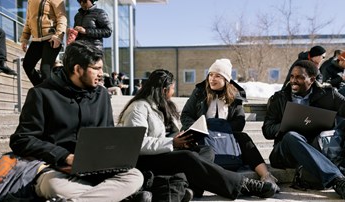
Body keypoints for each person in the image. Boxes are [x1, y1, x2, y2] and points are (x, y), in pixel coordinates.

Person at [9, 40, 149, 201]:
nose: (101, 74)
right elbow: (21, 139)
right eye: (96, 69)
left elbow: (108, 133)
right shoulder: (41, 94)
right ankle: (113, 197)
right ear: (77, 69)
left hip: (98, 168)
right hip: (57, 168)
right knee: (53, 186)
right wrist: (64, 156)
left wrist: (113, 155)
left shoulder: (102, 95)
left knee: (135, 176)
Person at [117, 69, 277, 200]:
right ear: (164, 90)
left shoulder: (162, 107)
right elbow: (137, 144)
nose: (173, 92)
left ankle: (185, 188)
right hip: (146, 160)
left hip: (164, 152)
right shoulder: (139, 108)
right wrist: (173, 143)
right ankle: (244, 185)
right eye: (172, 88)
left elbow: (169, 133)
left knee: (206, 151)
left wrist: (183, 137)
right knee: (187, 157)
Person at [180, 58, 280, 192]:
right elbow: (186, 114)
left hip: (225, 135)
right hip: (202, 135)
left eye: (217, 76)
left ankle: (266, 176)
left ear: (226, 79)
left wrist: (222, 129)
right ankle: (193, 182)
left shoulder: (235, 96)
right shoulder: (199, 92)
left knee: (243, 138)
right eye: (210, 75)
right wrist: (197, 128)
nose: (212, 79)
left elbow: (239, 121)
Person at [262, 60, 345, 199]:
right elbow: (267, 130)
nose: (294, 80)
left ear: (312, 79)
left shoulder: (328, 93)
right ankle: (337, 180)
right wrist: (286, 125)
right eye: (292, 76)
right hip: (285, 151)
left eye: (299, 77)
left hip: (316, 146)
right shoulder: (279, 98)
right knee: (292, 136)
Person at [20, 0, 67, 86]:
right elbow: (28, 21)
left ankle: (47, 95)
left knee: (45, 69)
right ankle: (42, 90)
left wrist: (58, 36)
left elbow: (61, 17)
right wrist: (25, 39)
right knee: (27, 65)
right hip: (36, 40)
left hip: (51, 38)